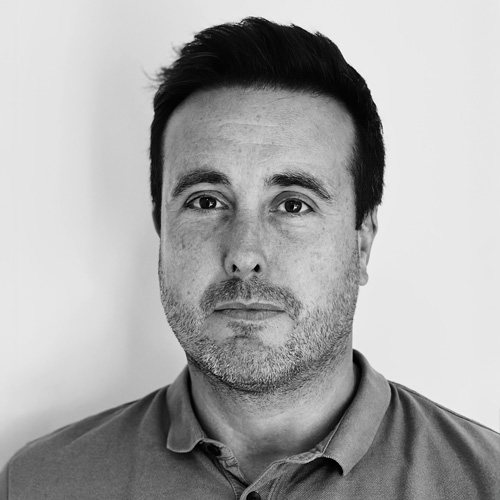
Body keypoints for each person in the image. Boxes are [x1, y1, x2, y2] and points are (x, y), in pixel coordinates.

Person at [1, 17, 498, 500]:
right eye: (206, 201)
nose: (244, 255)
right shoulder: (38, 485)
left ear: (362, 242)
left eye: (293, 205)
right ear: (162, 230)